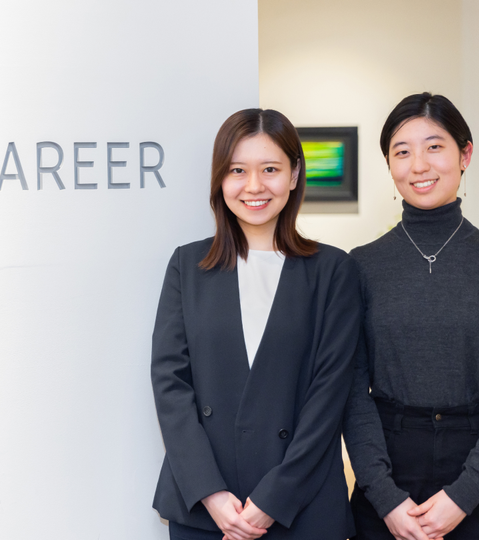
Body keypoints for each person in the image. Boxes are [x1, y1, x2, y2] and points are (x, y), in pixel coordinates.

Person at [150, 108, 362, 540]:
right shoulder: (187, 265)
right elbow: (170, 384)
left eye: (270, 169)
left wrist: (272, 501)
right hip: (206, 510)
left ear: (295, 174)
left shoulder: (333, 270)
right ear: (220, 180)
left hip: (301, 507)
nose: (254, 186)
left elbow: (329, 394)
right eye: (237, 170)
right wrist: (210, 493)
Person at [344, 93, 479, 540]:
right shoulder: (361, 266)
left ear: (464, 154)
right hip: (387, 483)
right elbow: (352, 392)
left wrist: (463, 496)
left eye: (434, 146)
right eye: (402, 151)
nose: (419, 165)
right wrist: (385, 498)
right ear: (389, 166)